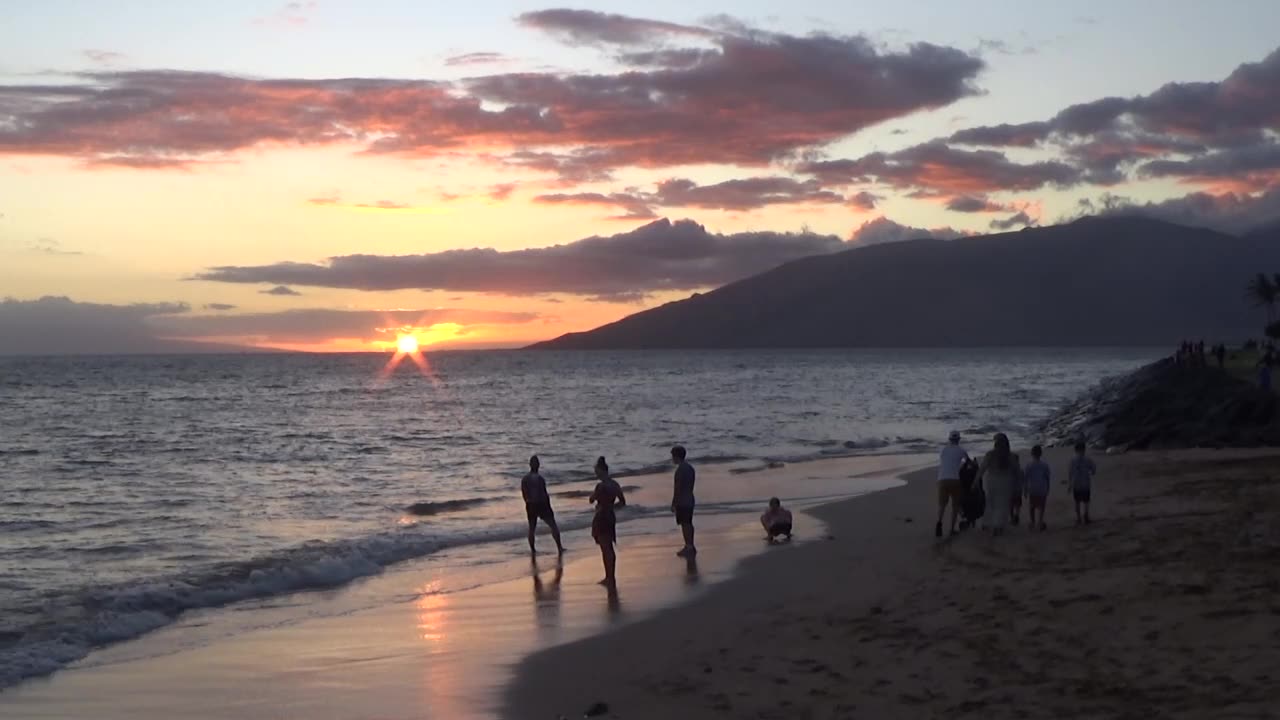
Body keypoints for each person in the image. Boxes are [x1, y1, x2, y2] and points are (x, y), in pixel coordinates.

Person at [589, 457, 626, 586]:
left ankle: (609, 577)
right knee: (609, 547)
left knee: (605, 549)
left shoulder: (600, 486)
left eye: (596, 471)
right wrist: (612, 507)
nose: (595, 473)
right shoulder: (615, 484)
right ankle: (611, 576)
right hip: (610, 515)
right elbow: (622, 502)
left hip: (601, 516)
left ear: (601, 471)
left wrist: (595, 499)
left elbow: (592, 499)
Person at [976, 433, 1020, 536]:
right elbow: (1017, 471)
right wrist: (1019, 484)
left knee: (990, 502)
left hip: (991, 481)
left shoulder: (990, 454)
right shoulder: (1011, 456)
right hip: (1005, 481)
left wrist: (975, 481)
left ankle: (986, 524)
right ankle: (997, 526)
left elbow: (982, 469)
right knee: (1002, 505)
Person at [521, 455, 564, 555]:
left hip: (530, 504)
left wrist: (528, 503)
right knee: (553, 525)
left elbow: (524, 494)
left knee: (532, 528)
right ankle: (559, 547)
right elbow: (544, 493)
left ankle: (533, 550)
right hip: (542, 504)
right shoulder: (540, 479)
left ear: (530, 465)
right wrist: (548, 505)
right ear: (538, 465)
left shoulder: (525, 479)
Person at [936, 430, 969, 537]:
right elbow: (968, 462)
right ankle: (951, 529)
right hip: (955, 479)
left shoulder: (943, 449)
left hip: (942, 479)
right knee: (955, 506)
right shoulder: (961, 450)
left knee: (942, 505)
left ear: (949, 439)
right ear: (958, 439)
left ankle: (939, 524)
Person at [671, 446, 697, 557]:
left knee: (685, 524)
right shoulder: (690, 468)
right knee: (689, 523)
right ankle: (690, 545)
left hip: (682, 500)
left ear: (676, 456)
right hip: (690, 498)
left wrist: (674, 502)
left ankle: (688, 546)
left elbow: (677, 488)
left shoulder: (680, 470)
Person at [1023, 445, 1052, 531]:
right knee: (1041, 506)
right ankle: (1040, 521)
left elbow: (1026, 478)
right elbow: (1047, 477)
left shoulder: (1029, 465)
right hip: (1042, 487)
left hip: (1033, 488)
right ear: (1041, 454)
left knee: (1032, 506)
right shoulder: (1044, 465)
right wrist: (1048, 487)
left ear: (1032, 453)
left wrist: (1025, 490)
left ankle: (1032, 522)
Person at [1068, 441, 1097, 525]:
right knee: (1086, 501)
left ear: (1075, 450)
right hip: (1085, 483)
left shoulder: (1073, 460)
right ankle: (1086, 516)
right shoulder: (1088, 459)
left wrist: (1070, 484)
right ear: (1084, 450)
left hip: (1076, 484)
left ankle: (1078, 518)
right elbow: (1093, 470)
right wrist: (1090, 472)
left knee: (1077, 502)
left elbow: (1070, 472)